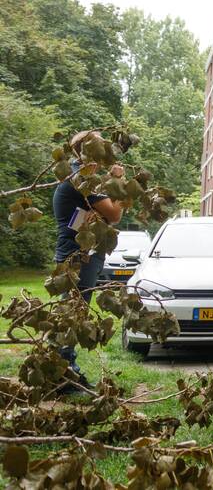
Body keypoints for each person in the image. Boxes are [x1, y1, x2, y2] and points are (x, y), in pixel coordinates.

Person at [52, 133, 125, 393]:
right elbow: (115, 214)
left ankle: (63, 371)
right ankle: (63, 376)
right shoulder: (84, 180)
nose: (107, 147)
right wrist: (117, 181)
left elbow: (106, 212)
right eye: (102, 143)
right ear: (88, 149)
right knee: (73, 315)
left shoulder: (83, 177)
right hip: (79, 256)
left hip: (78, 253)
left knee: (72, 312)